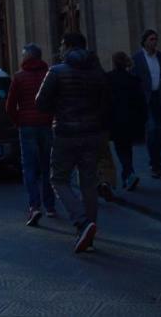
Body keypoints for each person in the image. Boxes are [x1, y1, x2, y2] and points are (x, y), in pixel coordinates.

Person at [35, 32, 111, 254]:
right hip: (93, 133)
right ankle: (89, 236)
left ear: (67, 47)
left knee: (58, 179)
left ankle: (82, 223)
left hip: (66, 134)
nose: (59, 49)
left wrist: (58, 109)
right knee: (88, 182)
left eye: (60, 44)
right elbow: (107, 101)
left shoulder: (57, 71)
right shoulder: (97, 71)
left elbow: (40, 103)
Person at [6, 44, 57, 226]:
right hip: (46, 124)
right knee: (47, 166)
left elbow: (10, 105)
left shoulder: (19, 77)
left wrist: (18, 121)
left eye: (22, 55)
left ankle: (34, 206)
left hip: (27, 126)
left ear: (27, 57)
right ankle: (50, 206)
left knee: (29, 167)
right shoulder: (49, 74)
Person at [132, 29, 161, 178]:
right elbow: (134, 78)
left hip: (160, 98)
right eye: (151, 39)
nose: (154, 42)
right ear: (144, 41)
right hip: (147, 99)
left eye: (155, 39)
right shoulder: (137, 58)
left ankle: (157, 163)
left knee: (159, 131)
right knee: (152, 129)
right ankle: (154, 164)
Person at [107, 52, 145, 190]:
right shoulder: (133, 79)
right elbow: (140, 102)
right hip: (130, 119)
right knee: (127, 148)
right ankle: (128, 174)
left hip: (115, 120)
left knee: (120, 148)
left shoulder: (109, 78)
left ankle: (129, 173)